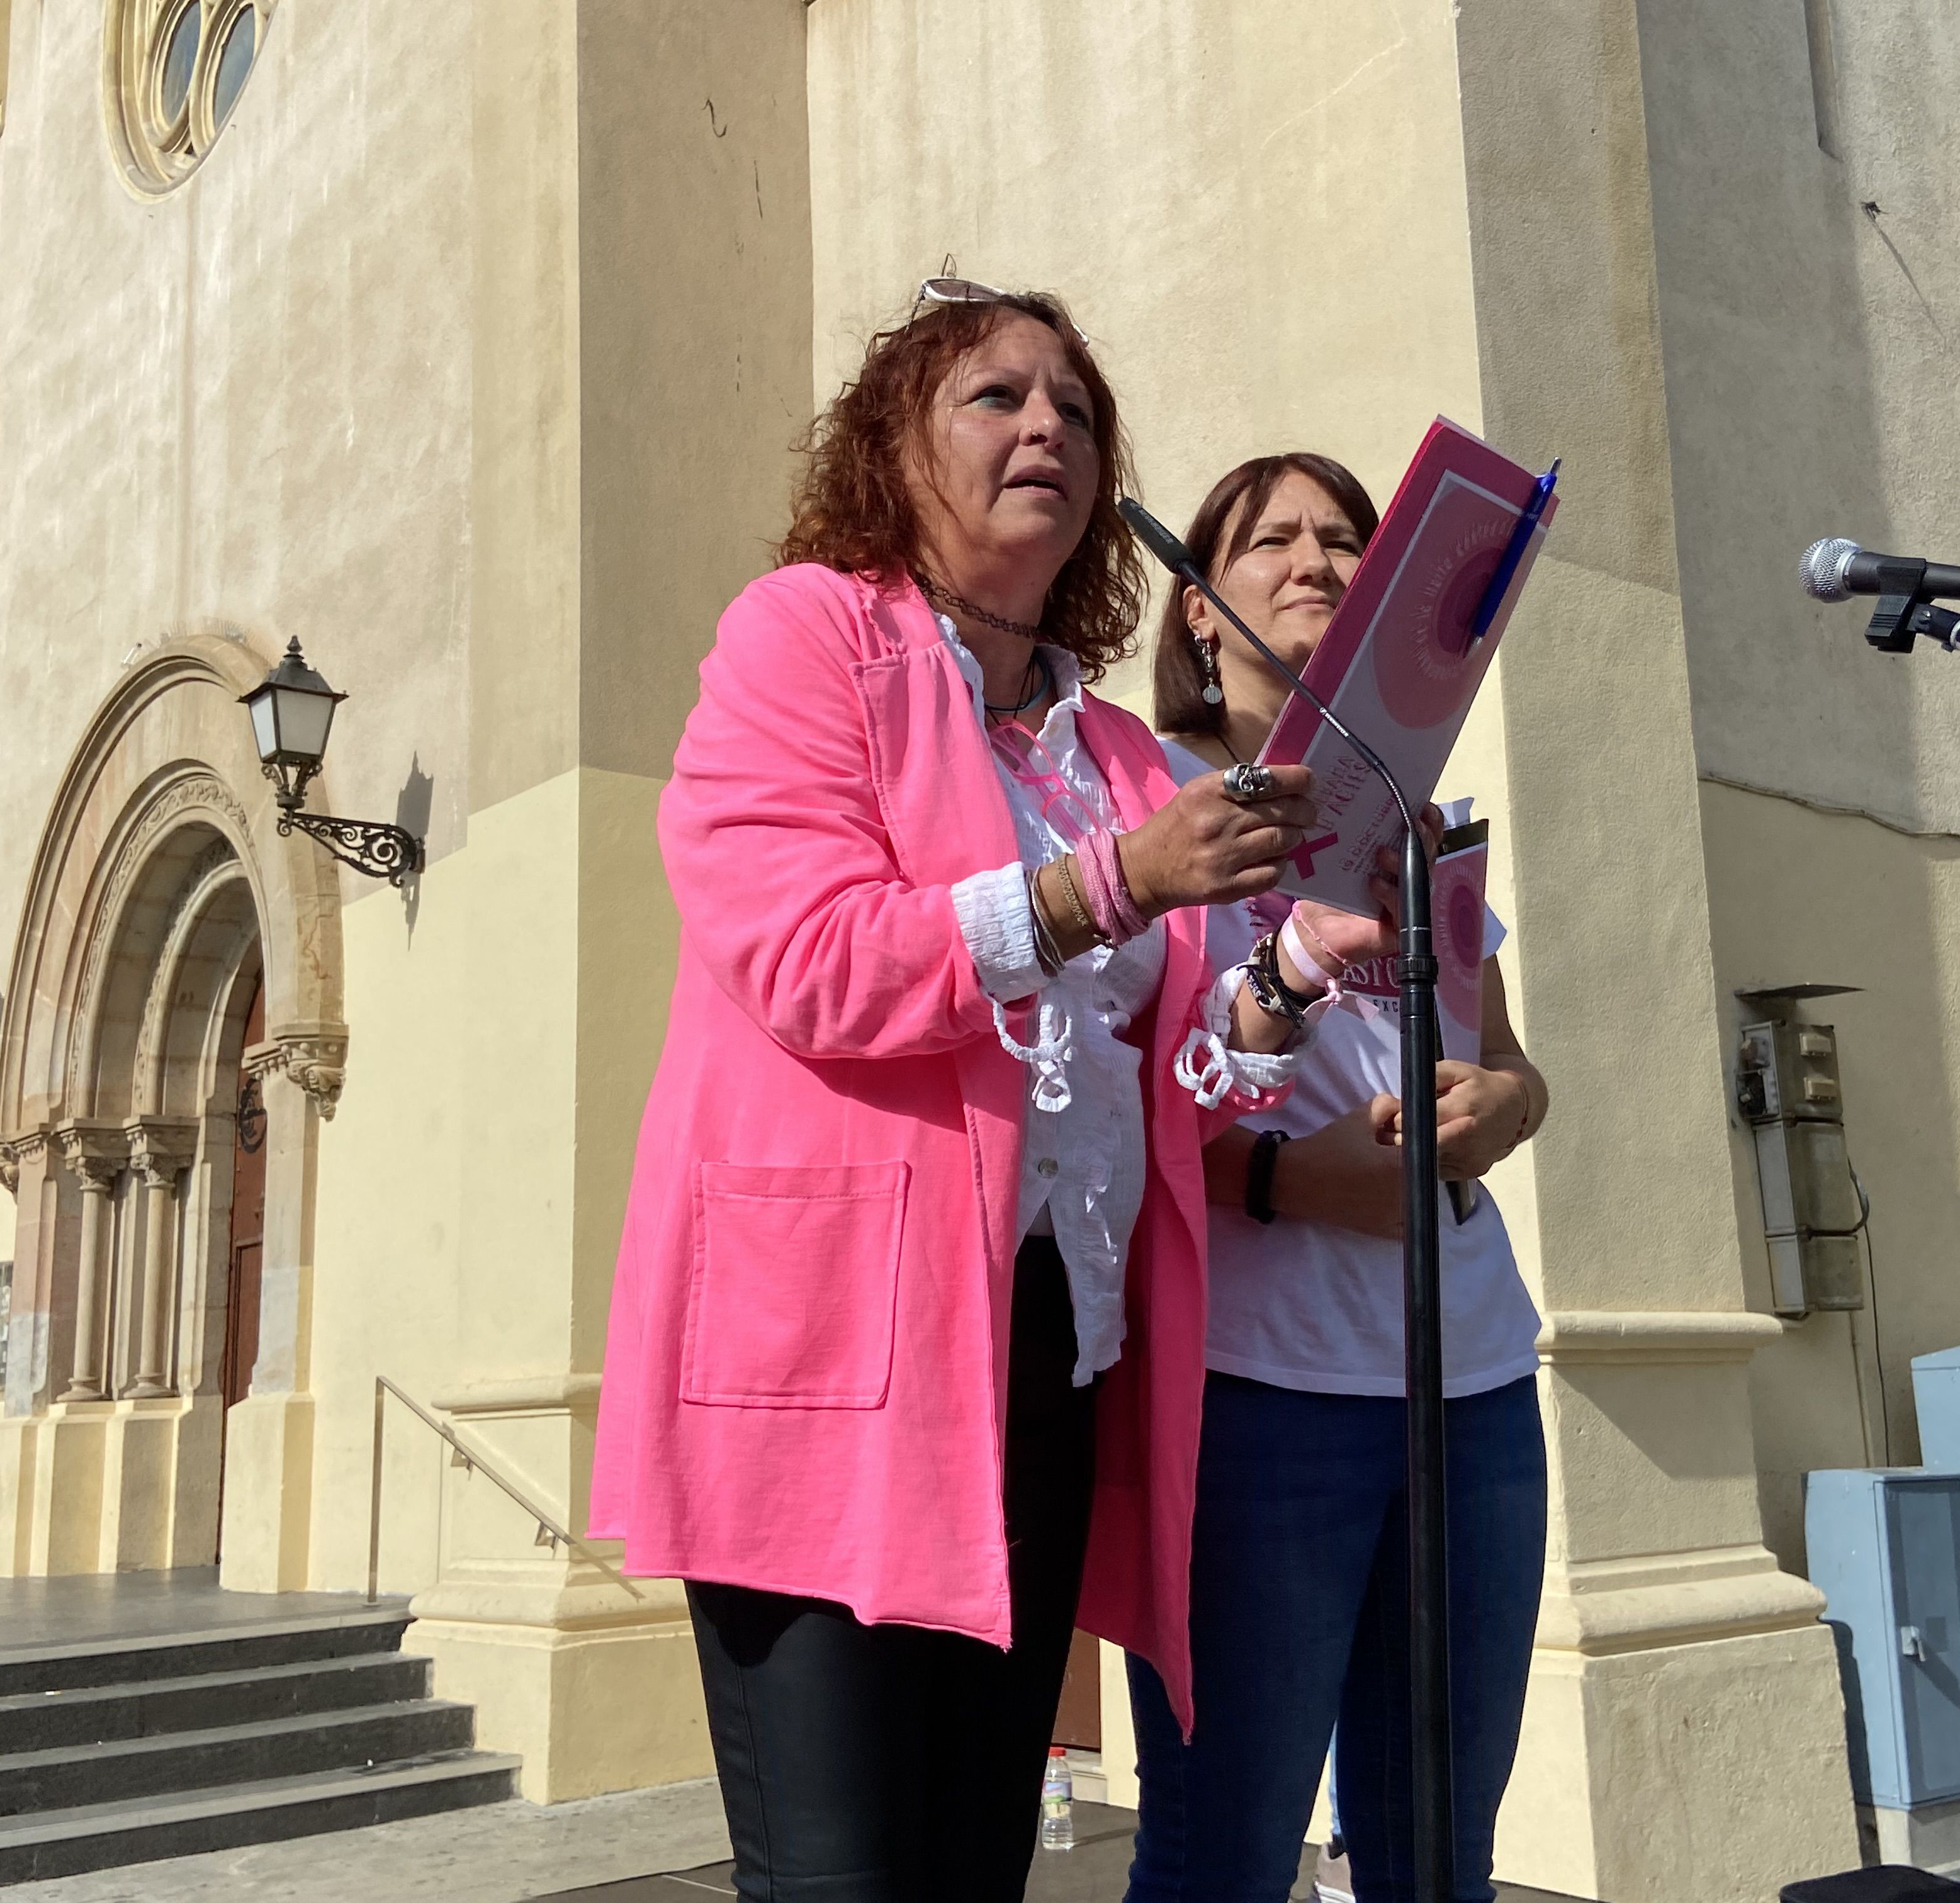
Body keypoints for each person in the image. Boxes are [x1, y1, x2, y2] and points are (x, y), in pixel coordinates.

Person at [589, 291, 1402, 1902]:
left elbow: (1165, 1078)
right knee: (843, 1878)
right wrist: (1114, 886)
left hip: (1045, 1357)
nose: (1047, 429)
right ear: (898, 448)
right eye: (995, 397)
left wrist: (1291, 979)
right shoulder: (806, 635)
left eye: (1078, 413)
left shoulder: (1114, 748)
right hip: (827, 1357)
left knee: (973, 1868)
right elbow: (812, 959)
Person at [1125, 453, 1553, 1903]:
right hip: (1261, 1403)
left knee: (1440, 1856)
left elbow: (1516, 1068)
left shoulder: (1419, 820)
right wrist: (1291, 1185)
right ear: (1197, 611)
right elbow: (1111, 1117)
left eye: (1349, 542)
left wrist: (1497, 1110)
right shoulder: (1149, 808)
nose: (1318, 560)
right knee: (1221, 1863)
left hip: (1474, 1387)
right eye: (1274, 541)